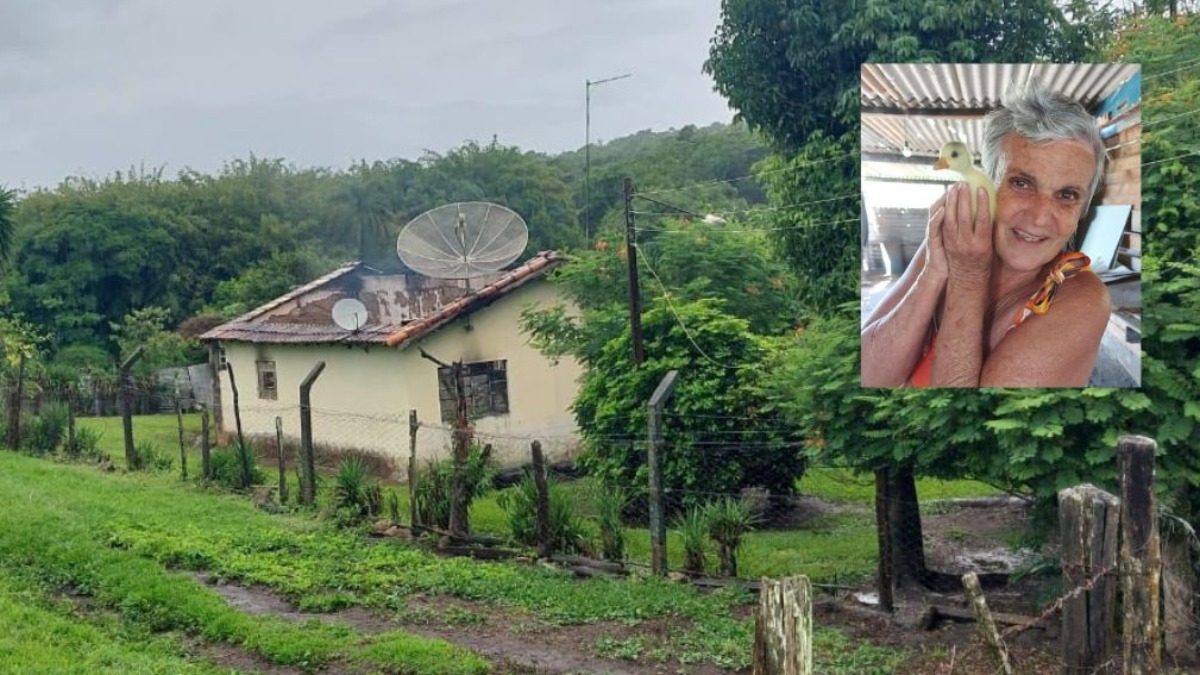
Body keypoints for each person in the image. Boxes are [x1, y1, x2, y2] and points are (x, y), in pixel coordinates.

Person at [861, 79, 1111, 388]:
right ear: (988, 184)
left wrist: (967, 277)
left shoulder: (1083, 299)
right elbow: (871, 374)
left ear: (1082, 210)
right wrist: (934, 272)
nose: (1039, 217)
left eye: (1067, 195)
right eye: (1021, 183)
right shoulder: (953, 242)